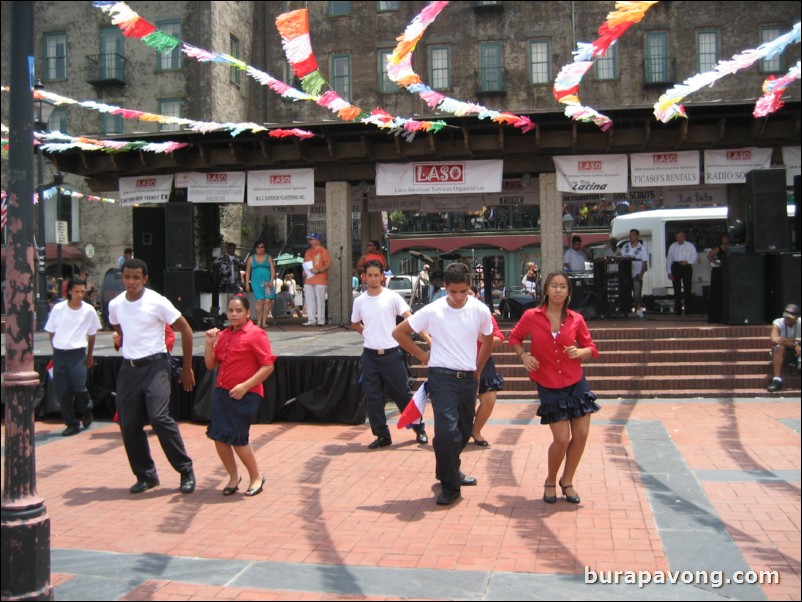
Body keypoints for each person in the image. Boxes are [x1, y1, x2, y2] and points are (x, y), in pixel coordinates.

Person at [393, 262, 494, 506]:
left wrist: (478, 369)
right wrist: (422, 356)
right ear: (445, 287)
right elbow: (399, 333)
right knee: (447, 432)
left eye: (463, 291)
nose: (458, 297)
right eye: (453, 291)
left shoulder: (480, 310)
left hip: (468, 378)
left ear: (470, 287)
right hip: (441, 378)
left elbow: (489, 341)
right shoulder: (432, 310)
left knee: (461, 432)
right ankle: (450, 486)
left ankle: (448, 469)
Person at [509, 271, 600, 505]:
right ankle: (550, 480)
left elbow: (590, 347)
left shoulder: (576, 319)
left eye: (562, 286)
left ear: (569, 291)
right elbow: (514, 338)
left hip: (576, 381)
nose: (558, 290)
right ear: (546, 290)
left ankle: (567, 481)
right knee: (561, 439)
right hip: (548, 383)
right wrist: (523, 355)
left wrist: (581, 352)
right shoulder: (531, 315)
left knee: (580, 435)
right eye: (554, 286)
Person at [108, 258, 197, 495]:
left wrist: (187, 368)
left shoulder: (157, 302)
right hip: (129, 368)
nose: (131, 282)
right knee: (128, 424)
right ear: (122, 278)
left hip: (156, 365)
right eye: (127, 277)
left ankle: (185, 469)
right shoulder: (116, 304)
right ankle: (146, 475)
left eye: (136, 277)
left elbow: (186, 330)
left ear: (145, 279)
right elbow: (117, 327)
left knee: (159, 417)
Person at [352, 260, 429, 449]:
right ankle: (382, 435)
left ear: (382, 277)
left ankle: (419, 428)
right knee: (373, 397)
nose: (373, 279)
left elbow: (411, 318)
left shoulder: (392, 297)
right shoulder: (359, 301)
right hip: (370, 356)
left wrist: (427, 338)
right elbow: (355, 323)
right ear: (364, 277)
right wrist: (366, 332)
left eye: (376, 275)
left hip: (392, 354)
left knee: (403, 394)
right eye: (369, 275)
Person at [204, 295, 276, 497]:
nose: (234, 314)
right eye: (231, 311)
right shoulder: (224, 335)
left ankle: (256, 476)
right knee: (219, 438)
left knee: (237, 439)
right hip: (222, 393)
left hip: (246, 394)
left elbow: (268, 366)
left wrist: (245, 386)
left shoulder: (255, 334)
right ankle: (233, 477)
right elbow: (211, 365)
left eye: (238, 311)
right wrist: (210, 344)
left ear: (248, 313)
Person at [44, 276, 102, 436]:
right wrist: (55, 347)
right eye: (76, 291)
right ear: (69, 291)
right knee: (62, 391)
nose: (80, 295)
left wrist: (90, 355)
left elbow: (92, 334)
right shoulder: (59, 308)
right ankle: (71, 422)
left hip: (77, 353)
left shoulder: (88, 310)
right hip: (60, 353)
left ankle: (87, 407)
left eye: (82, 291)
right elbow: (51, 330)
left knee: (78, 387)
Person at [467, 286, 504, 447]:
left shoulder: (484, 313)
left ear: (476, 295)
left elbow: (499, 337)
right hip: (461, 362)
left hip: (484, 361)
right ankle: (461, 432)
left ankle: (476, 431)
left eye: (469, 293)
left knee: (489, 400)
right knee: (465, 403)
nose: (465, 296)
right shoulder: (450, 313)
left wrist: (483, 339)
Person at [767, 303, 801, 393]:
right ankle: (777, 380)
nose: (787, 319)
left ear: (796, 318)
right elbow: (774, 340)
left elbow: (782, 340)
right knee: (779, 347)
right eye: (785, 317)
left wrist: (786, 340)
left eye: (790, 317)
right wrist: (794, 344)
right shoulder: (778, 322)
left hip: (798, 351)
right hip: (784, 353)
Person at [245, 240, 277, 328]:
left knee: (267, 300)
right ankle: (259, 321)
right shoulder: (251, 258)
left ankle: (264, 321)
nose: (259, 249)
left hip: (267, 282)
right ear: (255, 248)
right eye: (258, 247)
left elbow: (273, 270)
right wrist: (247, 283)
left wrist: (271, 280)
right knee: (259, 300)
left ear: (264, 248)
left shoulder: (268, 257)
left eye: (262, 247)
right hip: (256, 282)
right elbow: (247, 272)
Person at [617, 229, 648, 318]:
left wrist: (641, 273)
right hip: (626, 274)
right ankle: (626, 310)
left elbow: (644, 262)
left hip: (636, 273)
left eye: (633, 235)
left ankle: (638, 309)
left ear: (637, 236)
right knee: (626, 292)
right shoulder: (626, 246)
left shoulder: (641, 248)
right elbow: (620, 256)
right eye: (630, 235)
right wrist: (618, 254)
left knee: (637, 293)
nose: (631, 237)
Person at [666, 229, 698, 315]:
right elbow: (669, 259)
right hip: (676, 266)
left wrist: (688, 261)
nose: (679, 238)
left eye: (681, 236)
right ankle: (678, 310)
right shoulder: (673, 246)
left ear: (684, 236)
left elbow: (694, 256)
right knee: (677, 289)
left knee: (688, 288)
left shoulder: (690, 245)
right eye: (677, 236)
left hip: (686, 266)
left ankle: (688, 310)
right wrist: (669, 272)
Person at [302, 233, 331, 326]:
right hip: (308, 278)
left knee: (320, 300)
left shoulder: (323, 251)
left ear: (318, 240)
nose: (309, 241)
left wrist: (318, 271)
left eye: (311, 239)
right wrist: (304, 271)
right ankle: (311, 319)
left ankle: (321, 320)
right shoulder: (307, 251)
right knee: (309, 300)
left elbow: (328, 264)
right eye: (309, 239)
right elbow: (305, 263)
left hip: (320, 278)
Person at [706, 232, 730, 324]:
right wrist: (716, 262)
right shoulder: (718, 248)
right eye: (723, 238)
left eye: (726, 238)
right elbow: (709, 256)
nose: (725, 240)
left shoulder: (731, 247)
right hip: (720, 270)